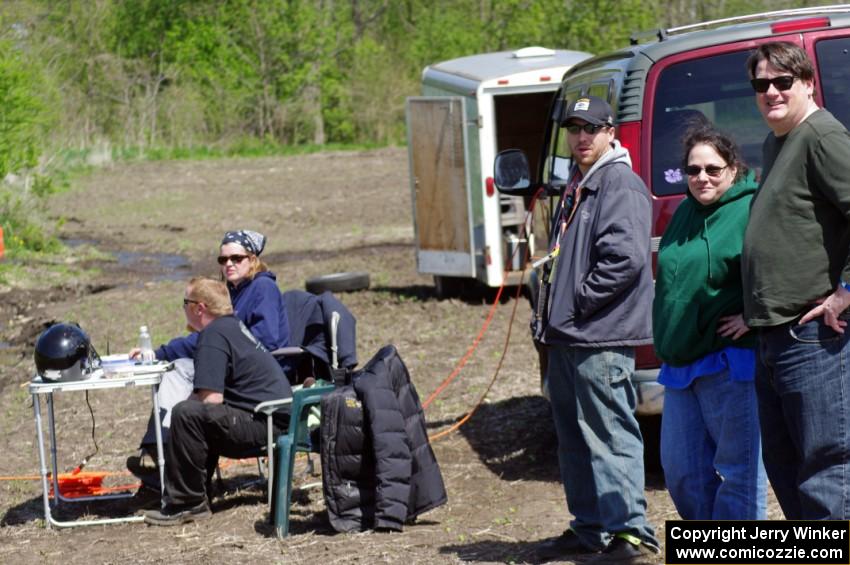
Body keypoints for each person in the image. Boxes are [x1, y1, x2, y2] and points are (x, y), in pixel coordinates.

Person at [532, 95, 659, 564]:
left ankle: (631, 535)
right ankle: (590, 528)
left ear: (611, 133)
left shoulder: (619, 182)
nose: (581, 137)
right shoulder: (580, 183)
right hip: (569, 336)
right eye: (574, 128)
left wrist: (578, 302)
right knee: (573, 438)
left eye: (591, 128)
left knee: (610, 435)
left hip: (599, 335)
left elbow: (623, 259)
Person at [742, 41, 850, 519]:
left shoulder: (822, 136)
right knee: (785, 467)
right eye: (761, 84)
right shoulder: (777, 141)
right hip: (773, 338)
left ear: (807, 83)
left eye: (783, 82)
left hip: (814, 339)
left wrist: (846, 292)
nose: (771, 91)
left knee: (826, 471)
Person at [652, 123, 766, 520]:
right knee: (683, 474)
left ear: (733, 169)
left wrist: (756, 315)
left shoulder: (752, 208)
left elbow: (789, 265)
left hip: (730, 363)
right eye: (693, 169)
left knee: (739, 473)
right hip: (681, 363)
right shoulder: (685, 211)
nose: (702, 177)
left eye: (713, 169)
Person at [128, 229, 290, 480]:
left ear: (253, 259)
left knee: (183, 375)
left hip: (254, 378)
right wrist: (159, 353)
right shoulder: (231, 292)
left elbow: (266, 340)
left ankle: (163, 455)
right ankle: (157, 450)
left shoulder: (263, 288)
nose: (229, 264)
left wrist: (224, 352)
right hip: (230, 364)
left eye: (237, 258)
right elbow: (205, 340)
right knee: (177, 368)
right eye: (223, 260)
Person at [143, 277, 293, 525]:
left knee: (188, 414)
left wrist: (173, 430)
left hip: (267, 423)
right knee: (193, 413)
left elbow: (211, 399)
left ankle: (187, 503)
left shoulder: (213, 335)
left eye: (185, 302)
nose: (183, 308)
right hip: (274, 418)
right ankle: (191, 493)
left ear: (199, 308)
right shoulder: (230, 327)